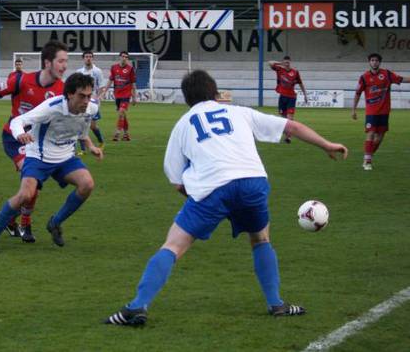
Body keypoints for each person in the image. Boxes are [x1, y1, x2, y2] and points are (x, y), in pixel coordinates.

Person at [104, 70, 348, 326]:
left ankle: (137, 306)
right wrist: (326, 144)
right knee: (261, 238)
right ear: (216, 93)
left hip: (212, 189)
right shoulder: (238, 112)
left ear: (187, 99)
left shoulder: (183, 124)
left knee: (174, 245)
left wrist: (199, 196)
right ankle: (276, 303)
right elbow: (291, 126)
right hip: (253, 182)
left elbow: (176, 179)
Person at [0, 73, 102, 253]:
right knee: (25, 195)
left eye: (88, 96)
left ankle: (55, 223)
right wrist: (20, 133)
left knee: (87, 184)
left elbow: (82, 129)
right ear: (69, 94)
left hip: (65, 157)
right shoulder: (51, 107)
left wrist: (90, 145)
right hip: (39, 156)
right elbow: (17, 121)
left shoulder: (91, 108)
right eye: (81, 96)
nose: (86, 100)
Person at [0, 41, 67, 242]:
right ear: (48, 63)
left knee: (33, 186)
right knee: (32, 181)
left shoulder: (62, 89)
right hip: (14, 138)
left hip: (39, 143)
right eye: (61, 61)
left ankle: (14, 222)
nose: (65, 66)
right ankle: (24, 224)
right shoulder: (22, 80)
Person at [351, 53, 406, 171]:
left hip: (384, 111)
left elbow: (402, 79)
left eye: (376, 60)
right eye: (372, 60)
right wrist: (353, 110)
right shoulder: (364, 77)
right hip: (371, 112)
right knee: (370, 133)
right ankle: (367, 161)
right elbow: (357, 94)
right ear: (369, 62)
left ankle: (368, 155)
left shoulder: (387, 74)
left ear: (379, 62)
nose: (374, 62)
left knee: (380, 137)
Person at [268, 55, 307, 143]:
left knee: (290, 117)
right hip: (282, 97)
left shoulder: (295, 72)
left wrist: (305, 95)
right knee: (283, 118)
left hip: (291, 97)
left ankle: (288, 137)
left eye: (288, 62)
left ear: (290, 62)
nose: (286, 64)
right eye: (285, 62)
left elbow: (301, 83)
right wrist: (280, 63)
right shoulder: (279, 69)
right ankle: (287, 134)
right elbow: (269, 62)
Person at [101, 51, 136, 141]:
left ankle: (117, 132)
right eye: (123, 56)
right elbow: (110, 80)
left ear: (127, 59)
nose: (124, 58)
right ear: (119, 57)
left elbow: (133, 83)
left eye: (126, 57)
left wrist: (134, 97)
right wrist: (104, 91)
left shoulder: (130, 69)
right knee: (122, 114)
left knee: (121, 112)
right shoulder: (114, 68)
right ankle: (126, 134)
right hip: (117, 94)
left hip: (126, 94)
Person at [76, 51, 106, 155]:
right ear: (83, 58)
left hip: (93, 103)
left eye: (90, 56)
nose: (88, 58)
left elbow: (102, 87)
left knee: (93, 126)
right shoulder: (79, 72)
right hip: (82, 102)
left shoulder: (97, 71)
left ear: (93, 58)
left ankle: (101, 141)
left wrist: (98, 98)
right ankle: (83, 149)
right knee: (80, 125)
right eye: (86, 56)